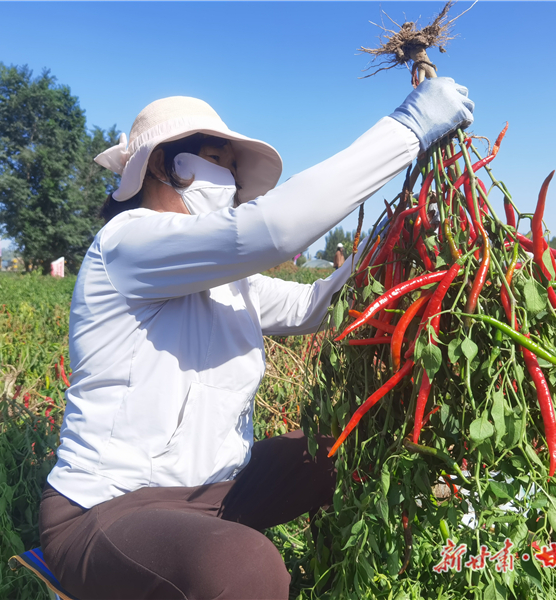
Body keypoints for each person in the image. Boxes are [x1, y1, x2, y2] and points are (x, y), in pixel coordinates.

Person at [39, 80, 474, 600]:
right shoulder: (128, 242)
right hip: (108, 510)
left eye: (230, 164)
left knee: (355, 448)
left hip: (219, 493)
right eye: (214, 158)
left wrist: (396, 236)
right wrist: (408, 132)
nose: (227, 175)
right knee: (245, 568)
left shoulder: (228, 283)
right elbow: (273, 229)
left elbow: (314, 305)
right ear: (160, 165)